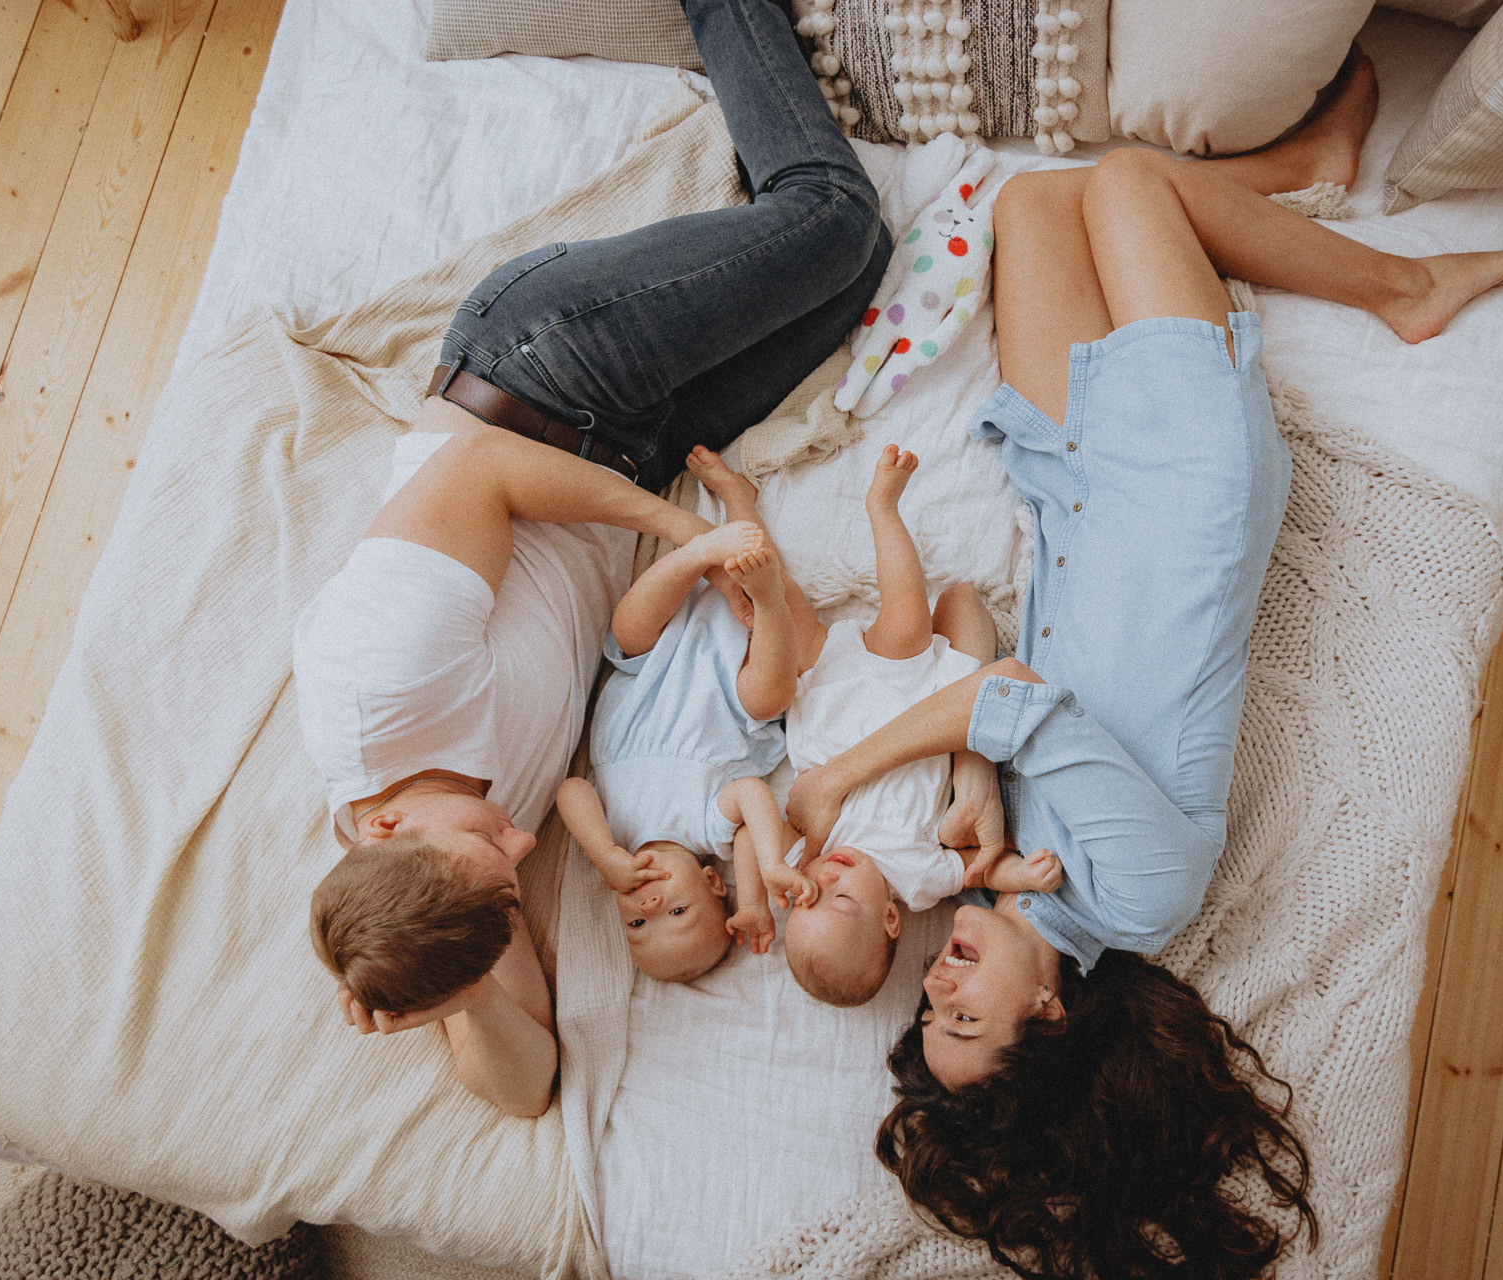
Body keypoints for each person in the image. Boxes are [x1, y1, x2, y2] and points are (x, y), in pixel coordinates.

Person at [784, 54, 1503, 1277]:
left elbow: (976, 617)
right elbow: (1012, 695)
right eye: (964, 1015)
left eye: (931, 1008)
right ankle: (1406, 286)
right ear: (1048, 1013)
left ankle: (1299, 173)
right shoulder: (1136, 899)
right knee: (1132, 183)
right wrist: (840, 782)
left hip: (1077, 485)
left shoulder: (1000, 859)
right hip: (1184, 490)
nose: (941, 986)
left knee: (1031, 207)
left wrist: (973, 783)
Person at [293, 0, 891, 1118]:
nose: (522, 838)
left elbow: (480, 477)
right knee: (854, 275)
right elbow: (528, 1091)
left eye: (491, 838)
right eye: (511, 873)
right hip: (636, 450)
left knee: (832, 217)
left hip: (542, 374)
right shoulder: (446, 892)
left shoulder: (378, 685)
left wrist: (680, 533)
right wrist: (457, 998)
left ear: (382, 824)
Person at [772, 446, 1065, 1009]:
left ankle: (868, 510)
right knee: (944, 608)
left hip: (837, 715)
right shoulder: (918, 880)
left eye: (808, 898)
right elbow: (980, 866)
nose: (827, 880)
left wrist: (769, 874)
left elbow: (756, 824)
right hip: (919, 699)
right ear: (889, 917)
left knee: (848, 617)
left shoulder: (801, 855)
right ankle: (879, 517)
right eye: (840, 901)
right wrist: (1022, 875)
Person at [553, 451, 800, 983]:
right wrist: (761, 885)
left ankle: (698, 552)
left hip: (649, 662)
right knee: (771, 697)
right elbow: (754, 798)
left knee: (628, 626)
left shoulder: (615, 836)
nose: (654, 900)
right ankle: (759, 561)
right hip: (733, 676)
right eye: (679, 911)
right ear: (714, 884)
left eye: (639, 922)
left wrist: (603, 856)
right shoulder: (705, 829)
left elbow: (570, 791)